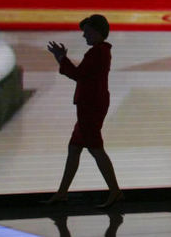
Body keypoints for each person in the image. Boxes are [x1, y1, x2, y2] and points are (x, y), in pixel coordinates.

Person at [45, 14, 123, 208]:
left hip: (91, 107)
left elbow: (79, 75)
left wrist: (61, 58)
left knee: (96, 149)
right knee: (74, 149)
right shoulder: (100, 52)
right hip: (92, 105)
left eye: (87, 32)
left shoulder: (98, 53)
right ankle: (62, 193)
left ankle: (115, 191)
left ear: (97, 32)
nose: (84, 36)